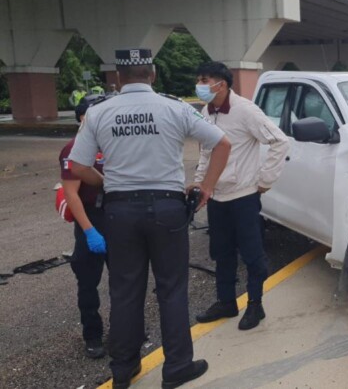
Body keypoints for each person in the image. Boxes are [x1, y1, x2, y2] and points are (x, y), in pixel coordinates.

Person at [68, 49, 231, 389]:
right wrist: (207, 188)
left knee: (125, 291)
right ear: (153, 75)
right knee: (172, 289)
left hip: (120, 211)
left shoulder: (99, 112)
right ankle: (176, 369)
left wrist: (109, 182)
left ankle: (123, 370)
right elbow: (222, 144)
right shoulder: (174, 107)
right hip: (167, 208)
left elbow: (79, 167)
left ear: (117, 78)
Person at [192, 62, 290, 330]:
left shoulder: (245, 111)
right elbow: (206, 152)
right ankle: (226, 302)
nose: (200, 85)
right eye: (199, 80)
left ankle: (255, 305)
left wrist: (264, 181)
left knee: (252, 254)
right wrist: (201, 183)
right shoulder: (206, 110)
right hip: (217, 196)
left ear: (220, 84)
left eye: (204, 80)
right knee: (221, 252)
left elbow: (279, 141)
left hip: (244, 196)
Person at [59, 94, 109, 359]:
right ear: (82, 117)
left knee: (126, 281)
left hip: (117, 217)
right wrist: (90, 231)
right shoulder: (74, 148)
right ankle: (93, 335)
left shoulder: (110, 141)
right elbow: (72, 194)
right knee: (88, 284)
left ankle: (128, 330)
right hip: (91, 219)